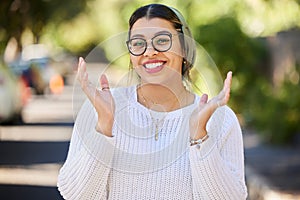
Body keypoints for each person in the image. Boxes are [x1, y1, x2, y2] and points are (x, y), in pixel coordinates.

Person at [57, 3, 248, 199]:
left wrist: (200, 137)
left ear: (185, 48)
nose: (149, 52)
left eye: (162, 40)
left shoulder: (221, 120)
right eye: (138, 43)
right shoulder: (100, 108)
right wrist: (104, 126)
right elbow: (76, 195)